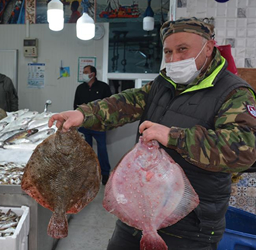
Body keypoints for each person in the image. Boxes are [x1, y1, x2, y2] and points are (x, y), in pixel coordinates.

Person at [49, 17, 256, 249]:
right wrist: (83, 114)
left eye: (183, 50)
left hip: (189, 227)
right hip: (136, 214)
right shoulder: (163, 84)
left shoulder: (234, 92)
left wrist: (174, 136)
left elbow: (243, 150)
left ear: (208, 48)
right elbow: (125, 102)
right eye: (168, 52)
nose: (174, 59)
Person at [74, 65, 112, 185]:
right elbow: (76, 107)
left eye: (86, 72)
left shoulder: (103, 87)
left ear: (93, 74)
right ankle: (87, 174)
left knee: (102, 150)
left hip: (99, 125)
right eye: (83, 72)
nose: (83, 74)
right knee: (85, 151)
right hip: (84, 125)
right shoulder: (80, 88)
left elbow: (110, 105)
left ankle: (105, 173)